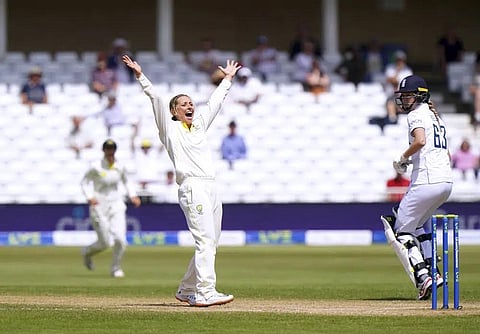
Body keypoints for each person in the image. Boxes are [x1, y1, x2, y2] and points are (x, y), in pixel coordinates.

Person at [122, 54, 240, 307]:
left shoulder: (198, 125)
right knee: (205, 241)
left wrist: (228, 79)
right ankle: (206, 291)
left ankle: (187, 289)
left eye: (190, 103)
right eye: (183, 104)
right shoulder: (169, 128)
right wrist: (140, 75)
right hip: (192, 186)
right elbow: (155, 98)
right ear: (174, 111)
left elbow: (215, 102)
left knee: (211, 242)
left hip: (211, 186)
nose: (189, 106)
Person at [380, 74, 453, 301]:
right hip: (445, 182)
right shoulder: (435, 117)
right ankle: (435, 274)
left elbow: (419, 141)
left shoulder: (416, 114)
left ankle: (423, 276)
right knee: (418, 225)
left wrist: (402, 157)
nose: (404, 100)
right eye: (403, 96)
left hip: (426, 182)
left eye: (408, 96)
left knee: (399, 230)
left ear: (420, 96)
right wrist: (411, 162)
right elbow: (440, 152)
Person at [80, 139, 141, 278]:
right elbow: (84, 183)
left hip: (116, 203)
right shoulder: (96, 166)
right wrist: (89, 196)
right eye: (107, 149)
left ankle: (116, 268)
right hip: (99, 205)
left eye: (112, 149)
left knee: (120, 239)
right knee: (105, 243)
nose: (110, 151)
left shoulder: (120, 166)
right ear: (103, 150)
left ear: (115, 150)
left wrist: (133, 195)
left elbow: (127, 181)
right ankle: (87, 252)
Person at [369, 50, 413, 134]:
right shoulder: (390, 68)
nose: (399, 62)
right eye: (398, 60)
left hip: (403, 96)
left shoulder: (408, 70)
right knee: (391, 102)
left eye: (401, 60)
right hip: (392, 95)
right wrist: (398, 72)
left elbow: (407, 84)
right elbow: (391, 80)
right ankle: (392, 120)